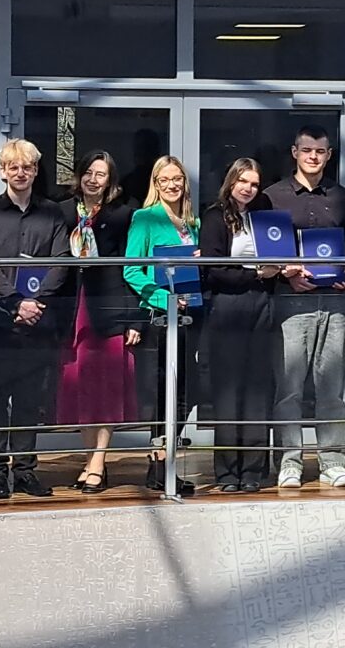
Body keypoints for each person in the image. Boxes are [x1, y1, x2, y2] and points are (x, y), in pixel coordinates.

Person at [264, 125, 345, 488]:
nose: (313, 157)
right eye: (307, 150)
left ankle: (332, 460)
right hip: (290, 300)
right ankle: (289, 461)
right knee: (289, 386)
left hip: (335, 300)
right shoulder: (272, 197)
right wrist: (285, 274)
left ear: (329, 155)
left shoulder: (343, 198)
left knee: (331, 387)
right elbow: (264, 249)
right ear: (295, 152)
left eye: (320, 151)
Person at [0, 139, 69, 499]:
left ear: (35, 170)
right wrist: (16, 303)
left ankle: (26, 470)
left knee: (30, 400)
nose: (20, 172)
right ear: (3, 171)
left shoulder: (52, 212)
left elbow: (62, 260)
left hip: (37, 321)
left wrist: (35, 302)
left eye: (27, 166)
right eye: (13, 166)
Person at [57, 151, 142, 495]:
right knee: (80, 387)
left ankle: (98, 461)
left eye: (101, 174)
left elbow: (131, 269)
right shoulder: (63, 211)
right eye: (89, 173)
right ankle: (89, 457)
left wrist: (134, 318)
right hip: (71, 309)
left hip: (109, 309)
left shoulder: (123, 214)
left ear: (110, 181)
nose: (93, 180)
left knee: (106, 389)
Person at [198, 158, 277, 492]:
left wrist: (275, 271)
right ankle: (228, 472)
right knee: (228, 392)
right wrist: (256, 273)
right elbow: (214, 270)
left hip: (262, 303)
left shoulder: (262, 216)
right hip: (228, 306)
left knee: (258, 389)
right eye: (243, 181)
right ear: (231, 181)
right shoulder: (215, 216)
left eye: (254, 183)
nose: (248, 188)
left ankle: (254, 471)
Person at [123, 155, 200, 495]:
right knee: (162, 392)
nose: (172, 185)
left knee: (187, 392)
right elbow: (131, 269)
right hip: (160, 318)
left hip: (190, 317)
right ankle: (159, 465)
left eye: (177, 179)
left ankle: (166, 460)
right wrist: (163, 298)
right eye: (164, 179)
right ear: (155, 184)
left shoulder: (193, 222)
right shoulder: (145, 218)